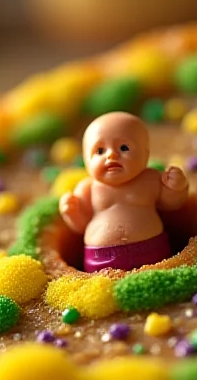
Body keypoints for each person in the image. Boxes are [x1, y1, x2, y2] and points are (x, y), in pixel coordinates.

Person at [59, 111, 189, 272]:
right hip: (100, 258)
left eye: (124, 147)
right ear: (86, 160)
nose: (112, 155)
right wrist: (71, 212)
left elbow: (171, 204)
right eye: (100, 151)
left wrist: (176, 187)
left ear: (145, 154)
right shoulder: (88, 188)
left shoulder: (150, 179)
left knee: (154, 282)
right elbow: (80, 225)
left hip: (151, 250)